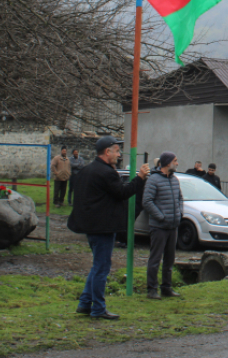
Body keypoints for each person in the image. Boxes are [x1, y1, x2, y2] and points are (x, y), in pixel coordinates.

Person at [68, 136, 150, 320]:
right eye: (117, 151)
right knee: (102, 268)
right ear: (107, 152)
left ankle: (84, 303)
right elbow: (123, 193)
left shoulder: (87, 170)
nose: (119, 155)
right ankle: (98, 309)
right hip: (103, 228)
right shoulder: (106, 173)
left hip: (91, 227)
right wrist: (140, 178)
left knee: (97, 265)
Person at [142, 151, 183, 300]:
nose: (177, 163)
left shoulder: (174, 180)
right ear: (167, 163)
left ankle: (166, 287)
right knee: (155, 258)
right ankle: (152, 289)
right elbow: (147, 201)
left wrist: (179, 213)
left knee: (170, 259)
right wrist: (161, 216)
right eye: (175, 160)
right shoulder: (153, 180)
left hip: (173, 226)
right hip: (159, 227)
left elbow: (180, 198)